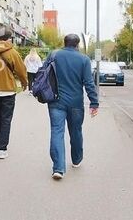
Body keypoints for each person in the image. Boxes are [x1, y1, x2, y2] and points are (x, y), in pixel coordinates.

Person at [47, 34, 99, 180]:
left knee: (57, 132)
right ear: (77, 45)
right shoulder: (84, 59)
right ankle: (76, 160)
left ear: (64, 43)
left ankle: (58, 168)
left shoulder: (54, 55)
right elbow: (89, 83)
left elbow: (45, 74)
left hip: (56, 101)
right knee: (76, 131)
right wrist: (94, 103)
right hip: (76, 103)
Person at [0, 29, 28, 159]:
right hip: (8, 90)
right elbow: (21, 70)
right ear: (9, 39)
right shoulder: (13, 52)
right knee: (6, 118)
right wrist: (25, 82)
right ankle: (2, 149)